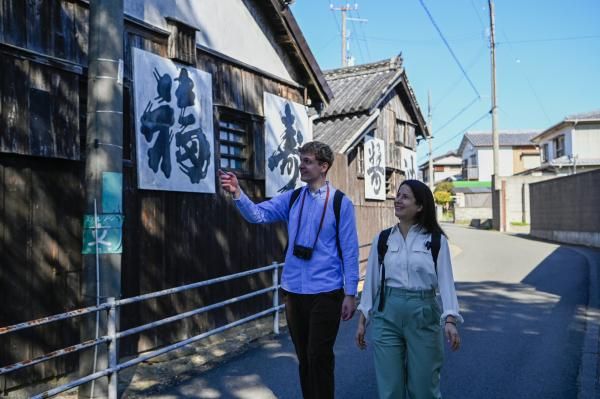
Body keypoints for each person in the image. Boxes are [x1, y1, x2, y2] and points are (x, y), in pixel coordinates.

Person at [219, 141, 359, 399]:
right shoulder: (293, 197)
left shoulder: (341, 203)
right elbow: (259, 215)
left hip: (327, 290)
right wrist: (238, 192)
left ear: (323, 166)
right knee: (305, 357)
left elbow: (350, 251)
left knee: (319, 356)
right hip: (293, 290)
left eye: (307, 161)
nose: (301, 166)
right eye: (301, 160)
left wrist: (351, 293)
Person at [355, 179, 462, 399]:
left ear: (420, 206)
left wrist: (450, 319)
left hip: (423, 312)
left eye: (405, 196)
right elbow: (372, 281)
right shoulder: (383, 239)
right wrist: (363, 319)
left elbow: (446, 282)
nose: (397, 200)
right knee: (390, 389)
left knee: (423, 389)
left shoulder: (435, 240)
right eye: (397, 195)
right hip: (387, 314)